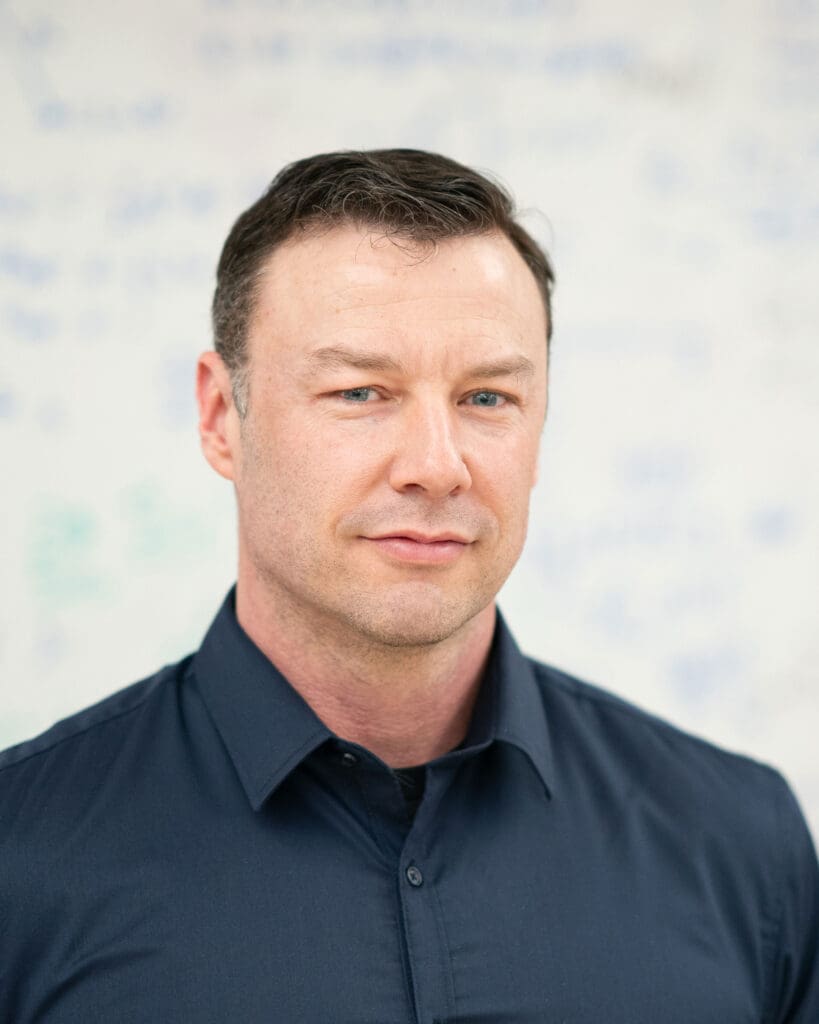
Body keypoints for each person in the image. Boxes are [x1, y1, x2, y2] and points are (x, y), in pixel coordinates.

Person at [1, 149, 816, 1023]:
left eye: (487, 399)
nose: (437, 466)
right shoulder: (23, 860)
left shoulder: (740, 842)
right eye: (360, 392)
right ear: (219, 418)